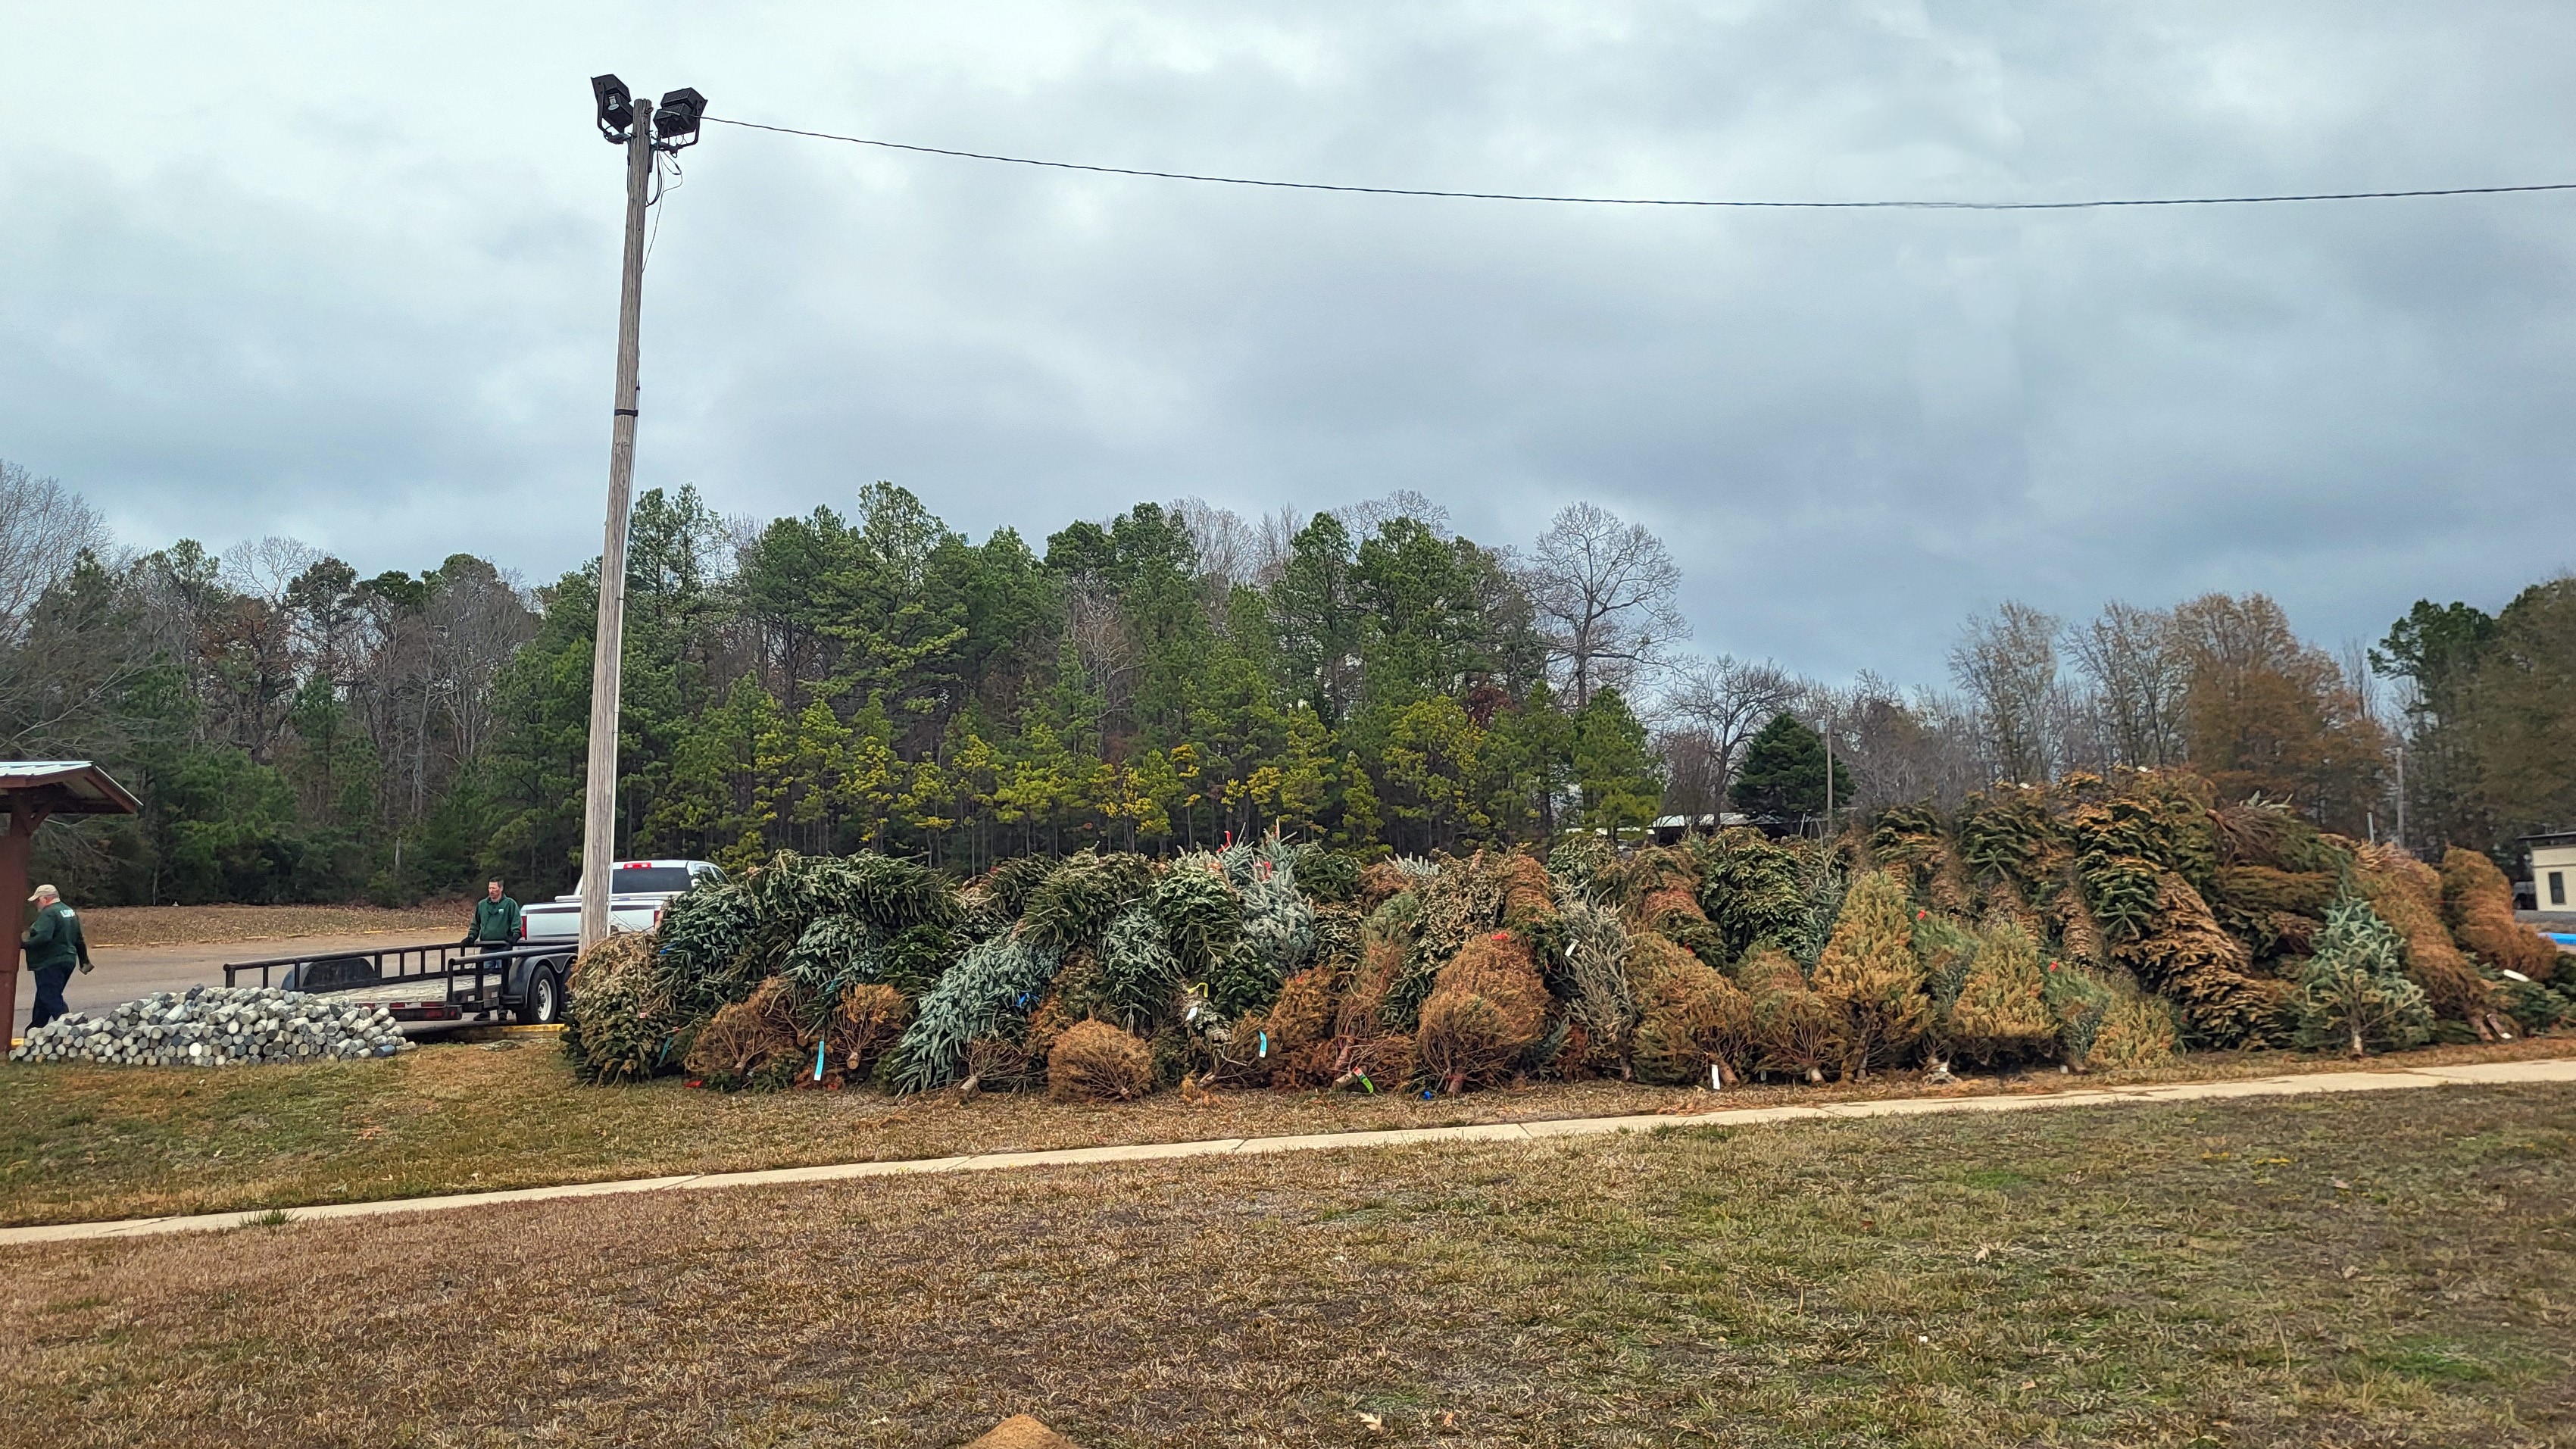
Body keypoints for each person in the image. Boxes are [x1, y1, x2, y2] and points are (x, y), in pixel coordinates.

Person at [20, 884, 91, 1032]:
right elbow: (79, 939)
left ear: (46, 898)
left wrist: (23, 944)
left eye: (37, 900)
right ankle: (35, 1029)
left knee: (49, 996)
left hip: (50, 961)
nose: (36, 904)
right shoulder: (69, 911)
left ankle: (71, 1027)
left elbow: (44, 936)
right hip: (68, 960)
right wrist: (84, 961)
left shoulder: (50, 913)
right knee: (44, 998)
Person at [464, 879, 521, 960]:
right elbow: (475, 924)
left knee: (503, 971)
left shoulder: (510, 904)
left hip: (503, 947)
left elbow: (516, 922)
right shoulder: (482, 905)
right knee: (485, 971)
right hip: (485, 948)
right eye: (489, 888)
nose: (491, 891)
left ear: (501, 888)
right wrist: (471, 937)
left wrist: (515, 936)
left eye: (494, 888)